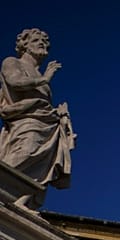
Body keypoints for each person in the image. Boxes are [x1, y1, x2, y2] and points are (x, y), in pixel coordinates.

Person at [0, 28, 74, 205]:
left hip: (47, 123)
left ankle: (21, 201)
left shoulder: (39, 73)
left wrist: (59, 115)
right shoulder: (12, 62)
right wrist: (45, 79)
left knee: (39, 169)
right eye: (36, 40)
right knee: (25, 153)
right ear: (24, 45)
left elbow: (41, 102)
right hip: (27, 122)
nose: (42, 44)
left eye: (45, 42)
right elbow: (15, 82)